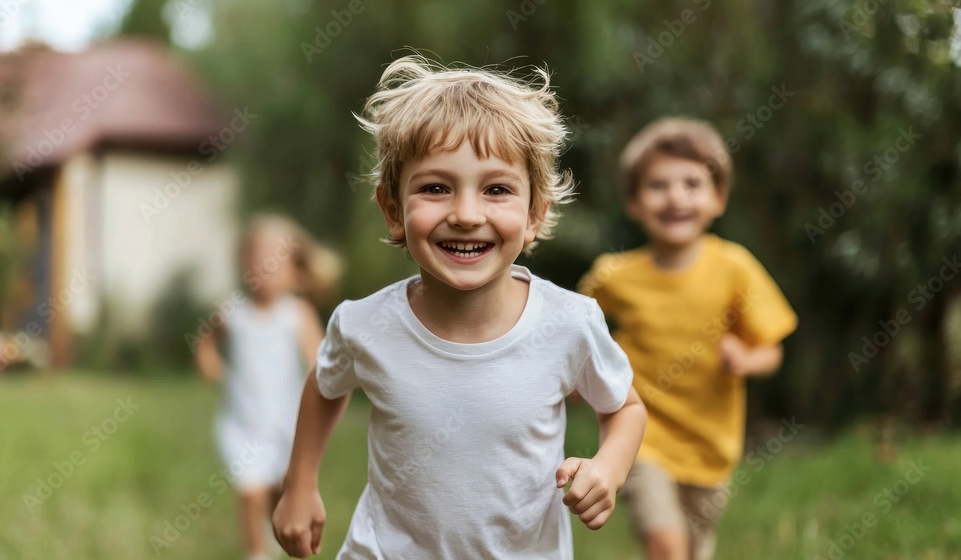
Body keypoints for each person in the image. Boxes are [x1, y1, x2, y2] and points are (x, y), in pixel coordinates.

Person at [271, 54, 647, 559]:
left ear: (534, 214)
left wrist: (609, 468)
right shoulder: (363, 326)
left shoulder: (568, 324)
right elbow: (325, 384)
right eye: (435, 188)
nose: (466, 214)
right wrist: (299, 485)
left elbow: (624, 406)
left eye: (496, 189)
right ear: (393, 210)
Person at [578, 118, 798, 560]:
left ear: (718, 198)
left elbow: (772, 352)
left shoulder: (735, 268)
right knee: (665, 544)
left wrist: (746, 357)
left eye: (692, 183)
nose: (676, 196)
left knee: (694, 550)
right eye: (658, 185)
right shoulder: (614, 277)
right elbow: (570, 332)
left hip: (711, 446)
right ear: (635, 203)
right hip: (641, 433)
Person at [195, 214, 341, 560]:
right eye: (257, 259)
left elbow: (319, 360)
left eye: (275, 261)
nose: (264, 267)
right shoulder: (233, 311)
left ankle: (277, 543)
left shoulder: (297, 313)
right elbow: (206, 341)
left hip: (286, 426)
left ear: (294, 270)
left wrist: (320, 380)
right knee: (250, 491)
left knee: (281, 494)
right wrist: (210, 362)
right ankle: (256, 552)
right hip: (241, 425)